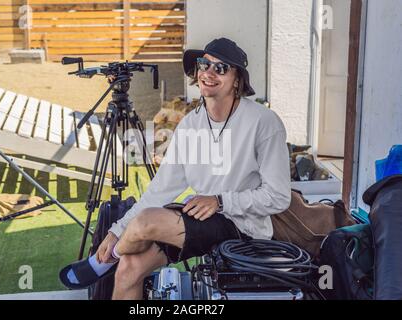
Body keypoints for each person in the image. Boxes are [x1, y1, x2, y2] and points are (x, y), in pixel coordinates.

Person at [59, 37, 291, 299]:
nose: (208, 73)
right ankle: (116, 256)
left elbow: (278, 196)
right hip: (201, 219)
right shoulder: (190, 125)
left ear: (238, 80)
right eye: (204, 64)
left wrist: (220, 201)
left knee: (147, 221)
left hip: (242, 226)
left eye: (221, 68)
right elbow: (159, 190)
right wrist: (115, 230)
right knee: (129, 268)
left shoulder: (263, 122)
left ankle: (103, 262)